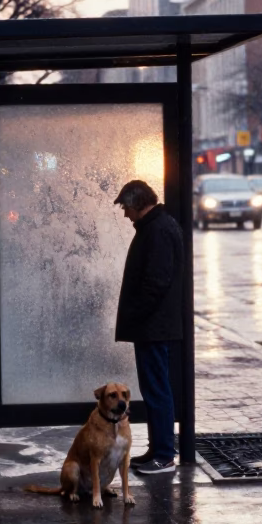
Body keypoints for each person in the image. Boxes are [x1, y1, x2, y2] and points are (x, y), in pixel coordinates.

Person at [114, 179, 183, 474]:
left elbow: (155, 283)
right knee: (154, 388)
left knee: (157, 390)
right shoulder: (156, 227)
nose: (125, 213)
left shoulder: (157, 230)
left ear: (138, 202)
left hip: (154, 327)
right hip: (153, 325)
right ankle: (158, 449)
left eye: (126, 207)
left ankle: (164, 455)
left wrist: (136, 314)